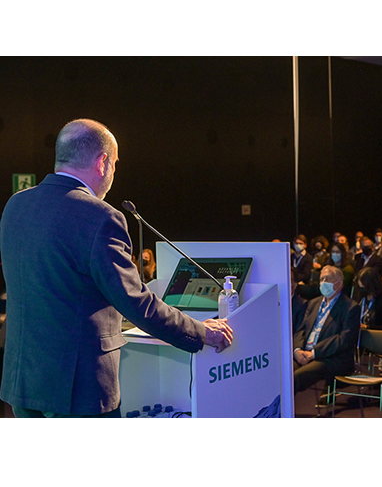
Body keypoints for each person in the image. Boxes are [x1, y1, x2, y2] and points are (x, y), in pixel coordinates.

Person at [0, 119, 233, 418]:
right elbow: (136, 301)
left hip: (24, 384)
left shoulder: (16, 205)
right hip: (79, 389)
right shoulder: (100, 217)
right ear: (103, 162)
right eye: (115, 164)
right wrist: (200, 332)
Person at [292, 266, 360, 394]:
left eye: (327, 279)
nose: (323, 283)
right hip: (304, 353)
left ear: (339, 283)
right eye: (321, 279)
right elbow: (301, 330)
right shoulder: (313, 303)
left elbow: (344, 340)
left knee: (295, 378)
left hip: (331, 358)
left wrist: (313, 353)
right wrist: (297, 350)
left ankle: (280, 412)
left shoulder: (350, 307)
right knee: (282, 373)